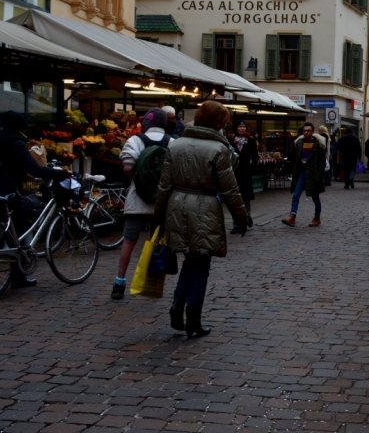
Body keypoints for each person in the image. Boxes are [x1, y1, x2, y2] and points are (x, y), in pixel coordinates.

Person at [155, 101, 248, 338]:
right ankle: (193, 318)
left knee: (190, 259)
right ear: (217, 122)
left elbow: (164, 184)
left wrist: (159, 215)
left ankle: (177, 307)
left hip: (177, 205)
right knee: (202, 263)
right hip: (204, 207)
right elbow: (230, 188)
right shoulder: (219, 149)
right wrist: (241, 215)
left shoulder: (176, 145)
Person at [0, 111, 69, 289]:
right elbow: (36, 169)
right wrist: (62, 173)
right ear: (21, 127)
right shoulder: (16, 143)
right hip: (8, 193)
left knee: (0, 232)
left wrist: (20, 173)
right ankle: (18, 276)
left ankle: (5, 278)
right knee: (19, 231)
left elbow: (2, 164)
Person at [111, 108, 172, 300]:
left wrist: (139, 179)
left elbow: (128, 166)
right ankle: (150, 284)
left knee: (129, 240)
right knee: (157, 241)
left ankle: (120, 282)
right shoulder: (173, 142)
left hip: (138, 199)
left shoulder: (135, 140)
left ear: (147, 123)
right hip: (162, 202)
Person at [282, 122, 326, 227]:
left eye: (308, 131)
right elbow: (294, 158)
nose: (306, 133)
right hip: (301, 172)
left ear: (312, 132)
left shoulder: (318, 144)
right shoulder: (299, 143)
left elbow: (322, 162)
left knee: (315, 197)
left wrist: (318, 175)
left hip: (313, 174)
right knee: (296, 195)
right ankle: (292, 217)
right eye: (304, 131)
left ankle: (317, 217)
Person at [229, 120, 259, 232]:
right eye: (240, 126)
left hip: (246, 173)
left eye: (244, 127)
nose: (242, 128)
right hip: (235, 173)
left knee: (246, 199)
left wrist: (251, 169)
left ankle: (247, 217)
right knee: (234, 199)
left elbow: (255, 157)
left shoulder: (250, 141)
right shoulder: (231, 141)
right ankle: (236, 224)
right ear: (236, 128)